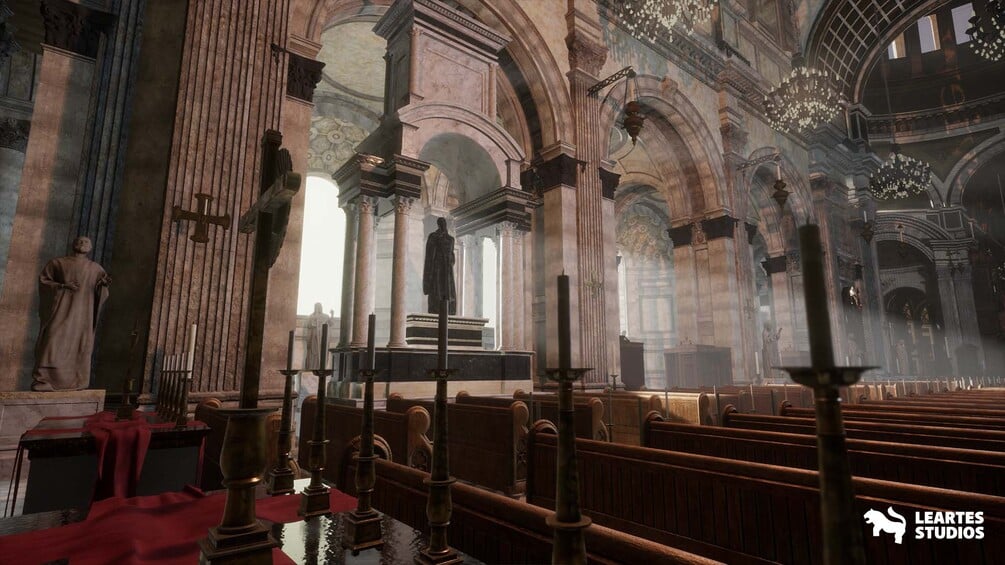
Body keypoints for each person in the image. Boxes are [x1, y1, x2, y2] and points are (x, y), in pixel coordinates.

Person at [32, 236, 111, 391]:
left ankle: (75, 381)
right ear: (73, 244)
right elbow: (44, 281)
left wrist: (102, 286)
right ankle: (44, 379)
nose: (83, 243)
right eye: (80, 241)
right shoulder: (57, 263)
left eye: (86, 242)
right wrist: (62, 286)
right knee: (52, 340)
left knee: (79, 344)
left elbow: (102, 292)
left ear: (91, 248)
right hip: (61, 310)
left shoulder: (96, 268)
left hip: (83, 315)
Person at [423, 217, 456, 315]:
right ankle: (436, 308)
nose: (443, 225)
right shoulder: (433, 236)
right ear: (438, 225)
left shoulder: (451, 239)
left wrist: (449, 260)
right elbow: (429, 256)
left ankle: (449, 309)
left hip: (447, 270)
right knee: (437, 289)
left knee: (447, 291)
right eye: (441, 223)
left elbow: (452, 255)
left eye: (444, 223)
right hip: (437, 268)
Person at [303, 302, 330, 370]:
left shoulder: (325, 316)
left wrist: (332, 315)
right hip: (313, 338)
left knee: (321, 352)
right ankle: (311, 367)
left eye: (319, 307)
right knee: (312, 352)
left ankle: (320, 367)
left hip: (322, 337)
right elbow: (309, 325)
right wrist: (314, 322)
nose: (318, 308)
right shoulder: (311, 316)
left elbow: (331, 323)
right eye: (316, 307)